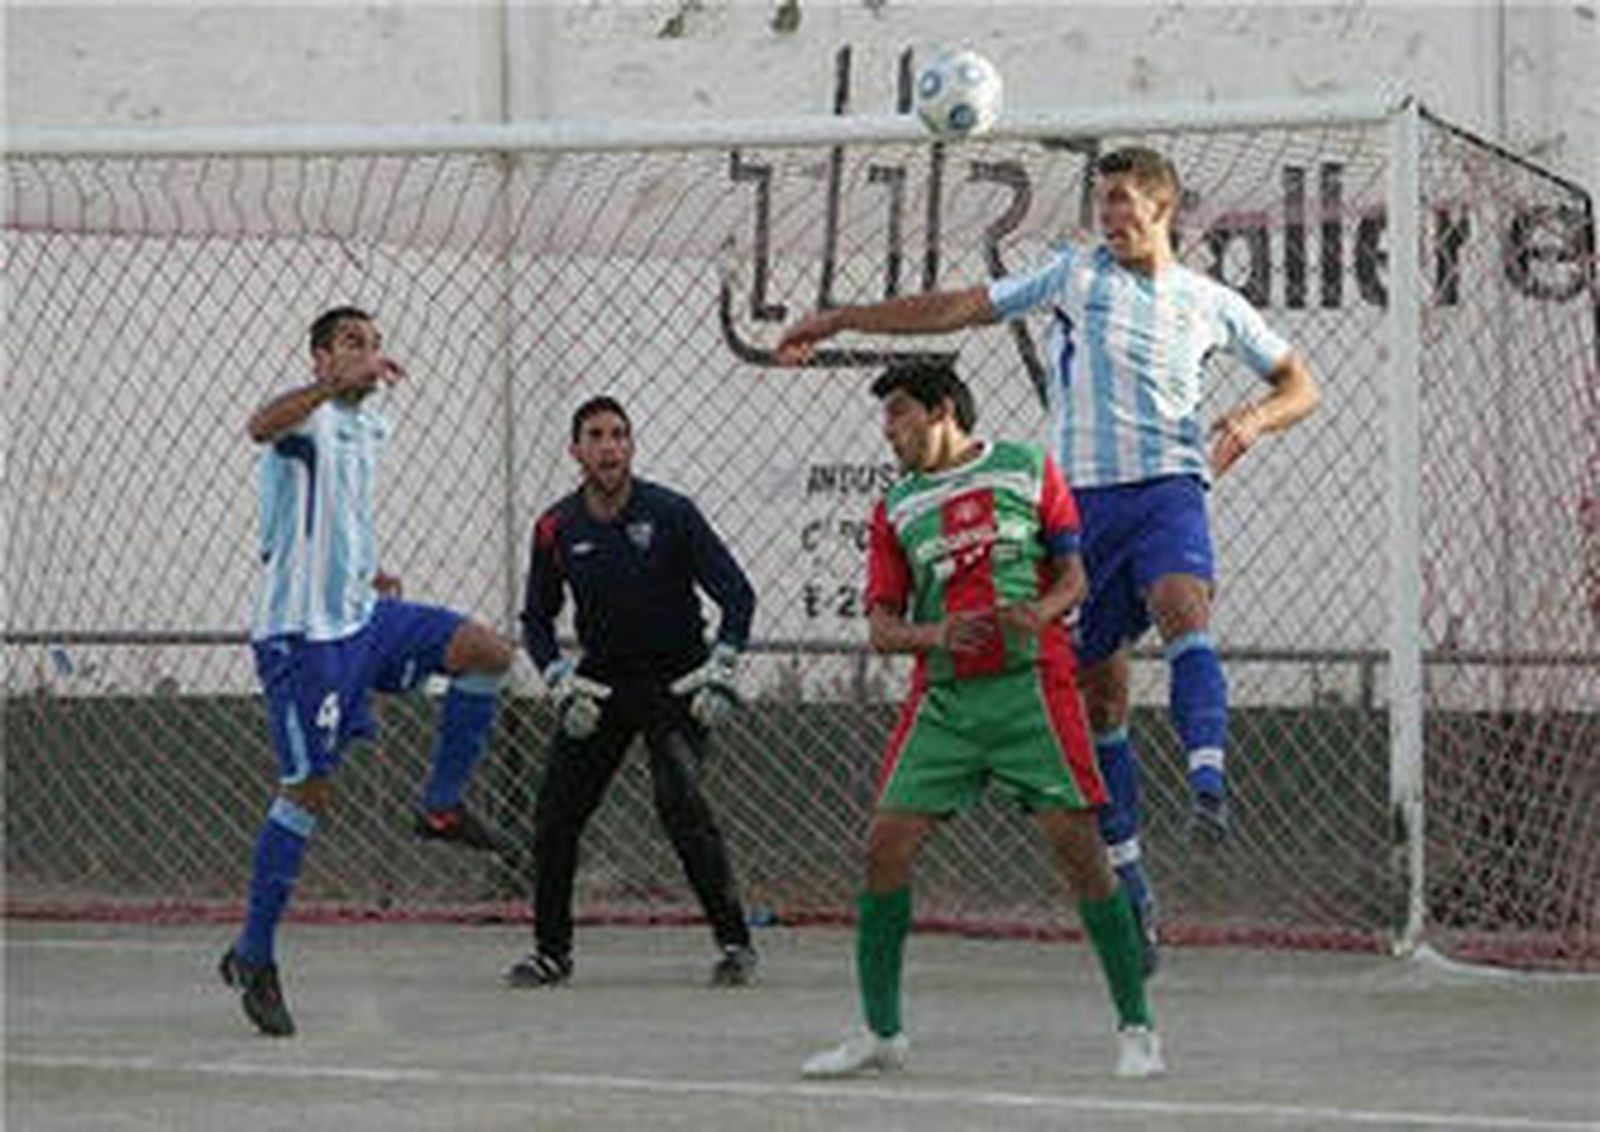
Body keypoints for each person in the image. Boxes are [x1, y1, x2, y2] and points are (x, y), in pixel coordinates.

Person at [777, 146, 1320, 973]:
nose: (1109, 217)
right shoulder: (1073, 275)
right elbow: (960, 307)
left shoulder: (1211, 304)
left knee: (1183, 603)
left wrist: (1250, 420)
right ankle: (1134, 885)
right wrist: (848, 316)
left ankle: (1209, 779)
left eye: (1124, 202)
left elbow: (1298, 384)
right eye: (1101, 202)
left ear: (1164, 208)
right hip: (1081, 504)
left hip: (1168, 487)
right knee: (1102, 702)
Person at [801, 362, 1161, 1080]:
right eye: (885, 419)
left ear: (940, 412)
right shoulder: (896, 507)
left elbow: (1074, 578)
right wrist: (937, 636)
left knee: (1079, 853)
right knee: (884, 847)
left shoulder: (1028, 470)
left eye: (898, 414)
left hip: (1033, 690)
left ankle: (1138, 1029)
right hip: (945, 703)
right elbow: (881, 627)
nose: (888, 431)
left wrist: (1042, 611)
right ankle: (882, 1032)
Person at [220, 306, 516, 1037]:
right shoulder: (304, 420)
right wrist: (326, 389)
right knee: (307, 792)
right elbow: (259, 424)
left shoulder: (371, 421)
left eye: (374, 343)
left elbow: (338, 513)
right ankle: (254, 954)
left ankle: (440, 805)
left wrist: (364, 568)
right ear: (321, 359)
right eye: (351, 343)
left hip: (362, 617)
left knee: (489, 654)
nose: (369, 355)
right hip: (303, 639)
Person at [505, 396, 759, 989]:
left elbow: (737, 596)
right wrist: (559, 682)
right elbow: (537, 620)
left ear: (631, 447)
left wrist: (722, 665)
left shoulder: (671, 513)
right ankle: (551, 952)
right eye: (595, 436)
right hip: (601, 684)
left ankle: (735, 943)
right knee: (556, 815)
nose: (608, 446)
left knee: (680, 802)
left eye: (619, 435)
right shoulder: (556, 527)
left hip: (679, 681)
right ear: (576, 451)